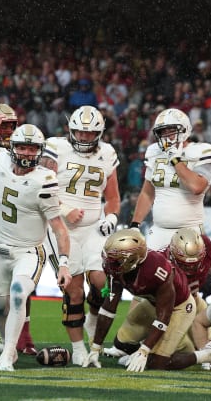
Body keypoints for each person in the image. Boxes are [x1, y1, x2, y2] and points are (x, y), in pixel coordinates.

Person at [0, 120, 72, 371]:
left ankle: (7, 353)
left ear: (40, 151)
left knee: (19, 295)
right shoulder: (0, 164)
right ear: (12, 147)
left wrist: (63, 264)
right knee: (1, 306)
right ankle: (9, 351)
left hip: (30, 251)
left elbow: (59, 228)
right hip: (2, 250)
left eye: (33, 149)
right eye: (22, 147)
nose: (27, 153)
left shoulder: (45, 180)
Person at [82, 228, 211, 372]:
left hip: (179, 307)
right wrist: (96, 347)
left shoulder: (158, 270)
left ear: (132, 260)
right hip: (153, 303)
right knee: (122, 344)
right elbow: (109, 307)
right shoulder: (117, 268)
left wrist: (144, 350)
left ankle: (207, 354)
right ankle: (175, 348)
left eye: (115, 260)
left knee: (157, 363)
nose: (109, 263)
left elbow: (164, 316)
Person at [41, 105, 120, 365]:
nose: (84, 137)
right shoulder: (56, 147)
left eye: (90, 133)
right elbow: (40, 185)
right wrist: (63, 208)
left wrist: (111, 217)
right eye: (79, 132)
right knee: (73, 290)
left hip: (93, 227)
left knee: (102, 282)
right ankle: (78, 349)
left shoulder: (107, 153)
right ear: (70, 129)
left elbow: (113, 198)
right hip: (61, 228)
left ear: (99, 133)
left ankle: (94, 317)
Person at [0, 103, 35, 355]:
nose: (7, 131)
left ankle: (21, 338)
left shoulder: (22, 150)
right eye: (2, 125)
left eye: (11, 126)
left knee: (22, 285)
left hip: (14, 223)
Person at [129, 108, 211, 250]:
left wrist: (175, 159)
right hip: (158, 230)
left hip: (190, 231)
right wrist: (135, 225)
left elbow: (196, 187)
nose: (166, 136)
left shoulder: (201, 150)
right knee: (146, 270)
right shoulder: (154, 151)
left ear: (185, 129)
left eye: (170, 130)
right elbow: (147, 193)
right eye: (162, 132)